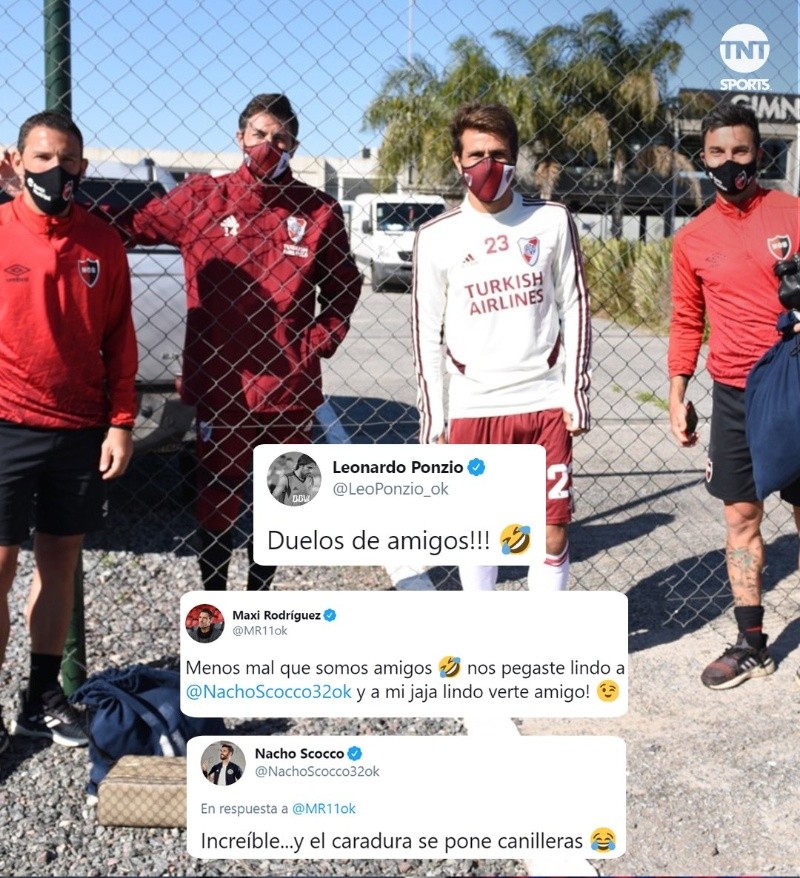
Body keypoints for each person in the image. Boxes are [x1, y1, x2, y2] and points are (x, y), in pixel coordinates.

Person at [128, 93, 361, 592]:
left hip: (290, 389)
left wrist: (315, 343)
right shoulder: (201, 198)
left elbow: (344, 286)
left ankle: (258, 603)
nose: (268, 145)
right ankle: (216, 606)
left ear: (294, 145)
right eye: (259, 134)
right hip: (223, 385)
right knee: (217, 502)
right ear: (240, 137)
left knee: (284, 502)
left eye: (280, 137)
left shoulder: (318, 211)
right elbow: (131, 224)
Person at [412, 101, 592, 591]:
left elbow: (575, 306)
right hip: (474, 406)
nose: (487, 165)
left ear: (515, 157)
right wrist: (434, 417)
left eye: (498, 154)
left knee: (551, 533)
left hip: (543, 402)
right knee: (482, 537)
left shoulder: (552, 221)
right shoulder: (436, 236)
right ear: (458, 160)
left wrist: (575, 392)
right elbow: (426, 332)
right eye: (476, 155)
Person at [0, 111, 137, 753]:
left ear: (82, 165)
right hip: (6, 427)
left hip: (80, 428)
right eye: (42, 157)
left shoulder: (102, 241)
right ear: (18, 161)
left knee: (58, 568)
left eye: (67, 159)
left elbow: (119, 338)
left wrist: (121, 422)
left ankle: (40, 701)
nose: (55, 169)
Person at [668, 102, 800, 690]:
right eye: (717, 153)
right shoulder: (693, 238)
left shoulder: (793, 213)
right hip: (734, 393)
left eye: (740, 151)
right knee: (741, 516)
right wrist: (677, 390)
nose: (729, 163)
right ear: (703, 158)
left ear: (760, 154)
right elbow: (685, 318)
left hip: (793, 383)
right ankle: (752, 643)